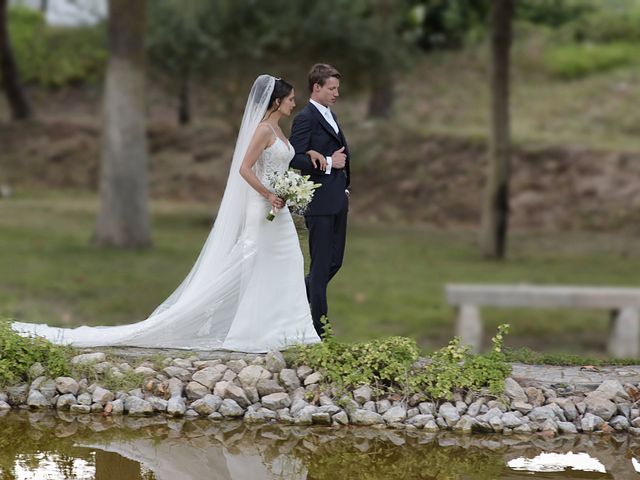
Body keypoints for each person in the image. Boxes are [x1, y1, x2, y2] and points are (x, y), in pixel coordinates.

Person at [12, 75, 320, 353]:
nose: (295, 102)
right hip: (263, 206)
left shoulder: (279, 130)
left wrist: (288, 189)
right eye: (291, 98)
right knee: (258, 266)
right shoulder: (263, 130)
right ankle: (256, 333)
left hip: (277, 209)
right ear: (277, 101)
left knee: (287, 261)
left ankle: (290, 330)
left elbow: (280, 166)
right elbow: (243, 168)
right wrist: (268, 193)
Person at [289, 64, 350, 337]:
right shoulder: (306, 118)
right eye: (332, 88)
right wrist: (328, 162)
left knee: (335, 262)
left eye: (337, 88)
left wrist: (345, 188)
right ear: (317, 88)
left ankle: (290, 300)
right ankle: (319, 331)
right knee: (321, 264)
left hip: (338, 200)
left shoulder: (330, 114)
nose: (337, 93)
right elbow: (295, 156)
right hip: (320, 202)